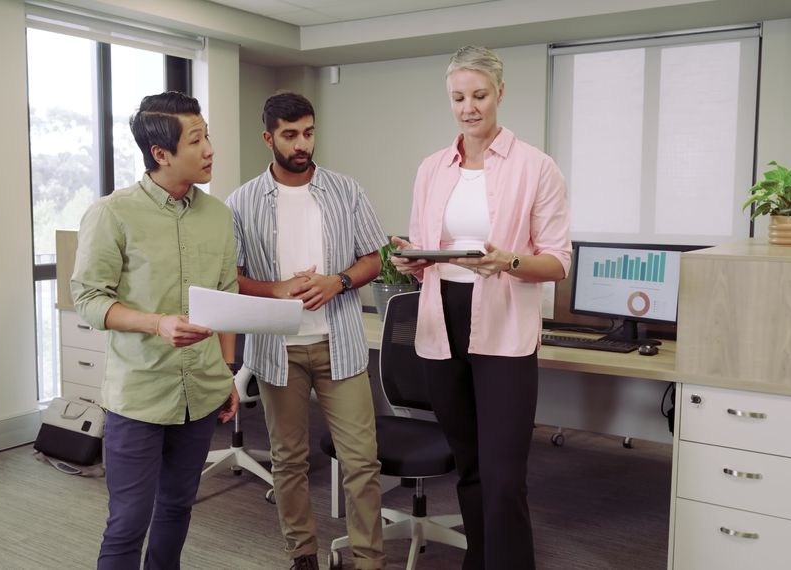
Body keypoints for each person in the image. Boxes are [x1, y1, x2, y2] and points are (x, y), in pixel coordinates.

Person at [390, 46, 572, 570]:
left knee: (503, 473)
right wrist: (411, 260)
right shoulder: (431, 168)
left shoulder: (536, 167)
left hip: (504, 324)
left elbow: (558, 262)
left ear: (500, 94)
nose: (468, 107)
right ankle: (480, 560)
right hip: (440, 319)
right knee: (468, 464)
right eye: (458, 97)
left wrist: (509, 261)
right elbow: (427, 250)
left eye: (479, 95)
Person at [71, 91, 241, 570]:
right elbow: (88, 299)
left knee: (177, 509)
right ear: (160, 154)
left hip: (201, 393)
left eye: (207, 135)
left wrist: (227, 370)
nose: (209, 148)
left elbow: (225, 297)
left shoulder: (219, 216)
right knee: (128, 521)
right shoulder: (112, 213)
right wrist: (156, 323)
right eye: (196, 140)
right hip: (140, 395)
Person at [226, 92, 387, 570]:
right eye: (291, 135)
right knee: (288, 462)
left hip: (339, 343)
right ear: (268, 137)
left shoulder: (346, 190)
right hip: (278, 351)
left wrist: (336, 282)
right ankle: (302, 555)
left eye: (309, 133)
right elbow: (232, 275)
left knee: (361, 462)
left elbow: (376, 257)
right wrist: (276, 289)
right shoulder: (242, 201)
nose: (302, 144)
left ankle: (369, 559)